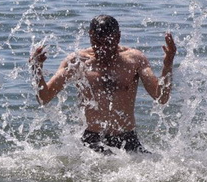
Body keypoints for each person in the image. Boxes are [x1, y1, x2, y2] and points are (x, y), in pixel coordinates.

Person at [29, 15, 176, 153]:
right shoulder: (77, 62)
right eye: (96, 43)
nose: (102, 49)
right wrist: (37, 69)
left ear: (118, 37)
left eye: (107, 43)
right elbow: (44, 97)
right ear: (90, 36)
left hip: (127, 139)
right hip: (91, 140)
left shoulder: (134, 60)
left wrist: (167, 64)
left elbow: (161, 97)